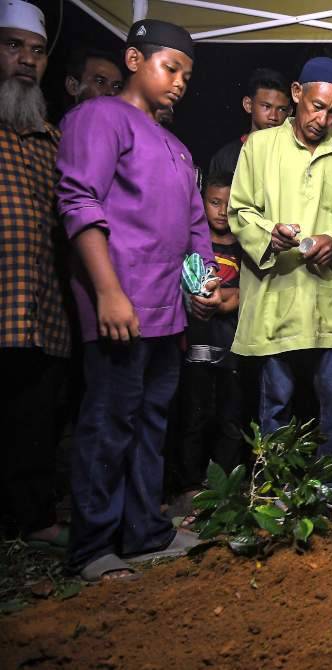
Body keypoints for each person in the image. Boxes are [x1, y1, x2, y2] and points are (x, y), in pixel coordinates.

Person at [57, 19, 221, 581]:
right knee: (109, 422)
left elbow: (195, 228)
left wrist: (200, 286)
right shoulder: (98, 118)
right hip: (120, 306)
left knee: (153, 422)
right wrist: (107, 293)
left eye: (186, 74)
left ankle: (144, 531)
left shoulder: (176, 146)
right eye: (169, 68)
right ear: (134, 60)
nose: (179, 82)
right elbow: (79, 203)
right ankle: (92, 547)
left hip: (166, 313)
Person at [228, 57, 332, 524]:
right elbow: (240, 211)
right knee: (276, 399)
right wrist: (269, 234)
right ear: (295, 93)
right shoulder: (260, 146)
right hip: (278, 293)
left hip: (329, 298)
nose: (322, 120)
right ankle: (273, 492)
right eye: (316, 106)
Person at [0, 0, 73, 549]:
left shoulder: (51, 140)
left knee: (33, 413)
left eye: (37, 50)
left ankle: (34, 518)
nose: (26, 59)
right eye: (12, 46)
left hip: (37, 302)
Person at [170, 173, 243, 516]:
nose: (222, 211)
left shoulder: (242, 246)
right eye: (215, 202)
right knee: (194, 415)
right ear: (201, 202)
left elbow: (248, 292)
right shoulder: (193, 246)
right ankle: (188, 487)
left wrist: (225, 302)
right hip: (196, 345)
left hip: (231, 347)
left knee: (229, 418)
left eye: (229, 204)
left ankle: (223, 489)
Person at [209, 68, 290, 178]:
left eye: (281, 109)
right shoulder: (225, 158)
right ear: (248, 105)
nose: (273, 117)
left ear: (289, 112)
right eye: (266, 106)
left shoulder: (291, 154)